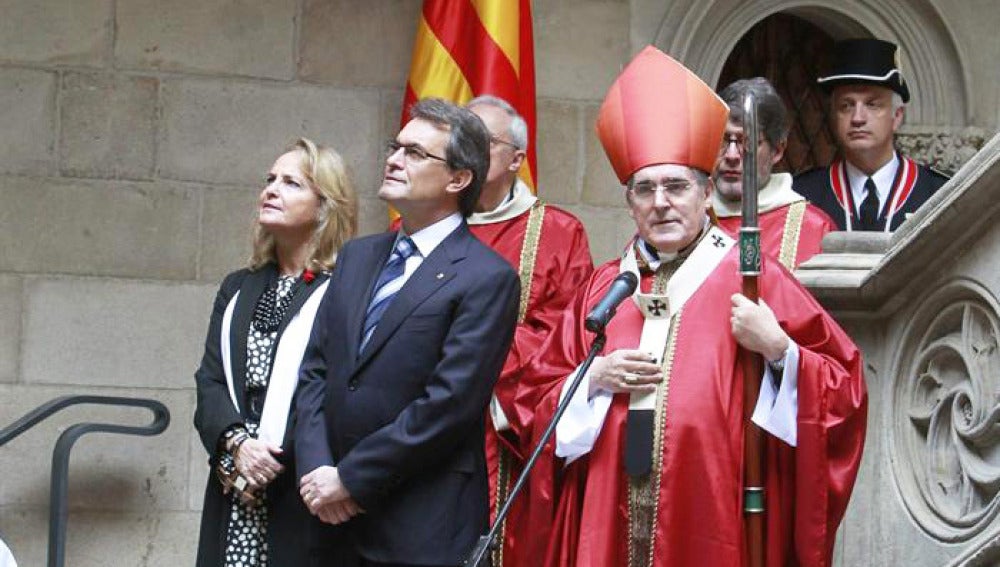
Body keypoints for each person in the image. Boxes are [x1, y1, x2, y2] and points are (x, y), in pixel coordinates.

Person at [519, 46, 867, 567]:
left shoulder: (753, 278)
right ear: (629, 202)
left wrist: (779, 351)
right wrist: (592, 380)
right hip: (605, 517)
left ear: (706, 194)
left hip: (712, 516)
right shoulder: (603, 288)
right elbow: (534, 402)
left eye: (676, 186)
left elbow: (846, 392)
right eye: (645, 190)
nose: (661, 202)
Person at [294, 98, 521, 567]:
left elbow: (449, 405)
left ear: (459, 179)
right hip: (328, 517)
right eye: (396, 148)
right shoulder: (358, 256)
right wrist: (318, 469)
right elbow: (317, 368)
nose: (394, 159)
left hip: (420, 521)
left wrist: (353, 478)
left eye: (415, 153)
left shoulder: (487, 277)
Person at [193, 138, 358, 567]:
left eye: (291, 183)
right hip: (235, 476)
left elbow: (336, 390)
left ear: (324, 206)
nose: (271, 189)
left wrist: (271, 452)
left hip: (300, 482)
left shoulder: (343, 290)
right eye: (270, 180)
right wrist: (237, 444)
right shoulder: (239, 286)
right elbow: (210, 380)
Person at [462, 95, 594, 567]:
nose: (467, 151)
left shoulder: (559, 232)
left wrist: (464, 356)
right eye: (461, 140)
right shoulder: (426, 225)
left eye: (483, 141)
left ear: (517, 158)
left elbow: (566, 338)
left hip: (506, 429)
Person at [795, 38, 948, 232]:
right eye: (846, 105)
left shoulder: (939, 193)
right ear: (834, 117)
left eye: (872, 104)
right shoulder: (802, 196)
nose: (858, 118)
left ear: (897, 116)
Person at [712, 78, 836, 269]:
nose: (731, 155)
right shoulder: (687, 220)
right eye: (723, 140)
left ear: (777, 150)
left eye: (748, 142)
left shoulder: (813, 229)